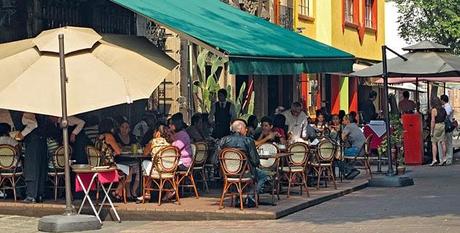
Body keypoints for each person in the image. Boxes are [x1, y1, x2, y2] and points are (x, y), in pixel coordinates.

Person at [216, 119, 269, 207]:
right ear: (240, 129)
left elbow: (215, 159)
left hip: (227, 173)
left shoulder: (223, 140)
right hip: (245, 173)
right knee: (263, 176)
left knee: (245, 173)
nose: (246, 130)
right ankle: (251, 197)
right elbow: (256, 161)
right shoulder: (248, 140)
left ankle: (238, 198)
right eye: (245, 128)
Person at [95, 118, 133, 201]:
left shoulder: (98, 137)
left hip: (100, 164)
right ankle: (116, 192)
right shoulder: (109, 136)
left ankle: (119, 194)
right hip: (108, 165)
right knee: (129, 170)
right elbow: (118, 151)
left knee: (125, 170)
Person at [14, 113, 49, 203]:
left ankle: (31, 195)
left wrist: (22, 134)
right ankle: (39, 194)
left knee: (31, 167)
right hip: (41, 141)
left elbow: (33, 124)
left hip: (33, 142)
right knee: (40, 167)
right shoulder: (40, 112)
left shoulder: (28, 111)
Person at [139, 123, 171, 203]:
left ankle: (147, 192)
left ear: (158, 133)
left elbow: (145, 154)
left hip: (157, 170)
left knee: (145, 163)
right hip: (169, 170)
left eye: (154, 132)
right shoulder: (169, 143)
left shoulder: (153, 142)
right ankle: (168, 190)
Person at [340, 115, 364, 179]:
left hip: (357, 150)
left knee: (339, 154)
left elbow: (342, 137)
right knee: (343, 153)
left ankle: (349, 170)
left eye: (343, 120)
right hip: (362, 149)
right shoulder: (354, 125)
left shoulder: (348, 126)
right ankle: (349, 169)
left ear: (347, 121)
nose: (342, 122)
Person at [430, 97, 447, 166]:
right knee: (443, 142)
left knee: (434, 143)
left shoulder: (434, 110)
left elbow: (433, 121)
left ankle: (434, 159)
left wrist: (431, 131)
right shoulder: (443, 109)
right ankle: (444, 158)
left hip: (436, 126)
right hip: (443, 125)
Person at [440, 94, 454, 165]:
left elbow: (446, 116)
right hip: (446, 127)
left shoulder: (447, 107)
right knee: (446, 143)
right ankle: (446, 158)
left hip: (448, 127)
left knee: (448, 143)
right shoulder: (445, 106)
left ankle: (449, 159)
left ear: (443, 100)